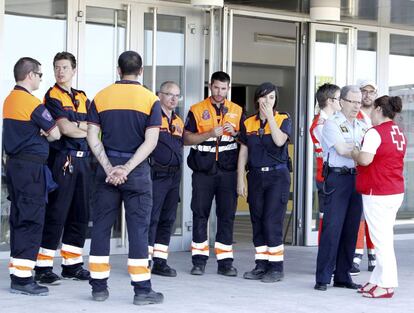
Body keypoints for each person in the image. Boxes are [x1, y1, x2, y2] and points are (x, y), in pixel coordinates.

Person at [86, 51, 163, 305]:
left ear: (118, 70)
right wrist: (127, 169)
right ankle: (142, 291)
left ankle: (98, 287)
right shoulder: (151, 99)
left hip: (105, 171)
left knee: (101, 227)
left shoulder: (100, 97)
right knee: (139, 230)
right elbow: (151, 142)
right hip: (137, 173)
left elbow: (92, 137)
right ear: (140, 71)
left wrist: (110, 168)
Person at [3, 57, 61, 295]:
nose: (40, 79)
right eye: (39, 75)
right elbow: (56, 133)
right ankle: (23, 280)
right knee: (32, 219)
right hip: (31, 170)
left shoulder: (9, 100)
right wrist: (42, 133)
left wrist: (38, 132)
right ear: (30, 75)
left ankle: (18, 271)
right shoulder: (32, 102)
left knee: (19, 217)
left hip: (15, 167)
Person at [34, 52, 91, 284]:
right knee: (56, 213)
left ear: (73, 70)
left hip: (84, 160)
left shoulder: (82, 96)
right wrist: (82, 126)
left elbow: (96, 129)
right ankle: (43, 266)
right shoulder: (52, 96)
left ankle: (72, 265)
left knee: (80, 213)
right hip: (62, 160)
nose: (60, 71)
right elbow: (65, 129)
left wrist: (80, 126)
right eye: (57, 67)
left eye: (65, 67)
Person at [184, 71, 244, 276]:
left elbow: (244, 140)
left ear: (228, 88)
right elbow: (186, 139)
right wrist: (209, 133)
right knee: (200, 214)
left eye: (223, 88)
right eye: (216, 87)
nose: (219, 92)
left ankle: (225, 263)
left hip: (228, 171)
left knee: (226, 216)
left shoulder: (237, 110)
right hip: (203, 171)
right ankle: (199, 261)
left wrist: (235, 133)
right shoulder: (197, 109)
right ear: (210, 86)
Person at [351, 96, 406, 298]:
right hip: (394, 189)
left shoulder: (375, 132)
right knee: (382, 237)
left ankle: (386, 284)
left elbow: (365, 159)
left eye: (373, 109)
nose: (370, 113)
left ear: (379, 110)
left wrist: (355, 153)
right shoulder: (397, 131)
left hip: (378, 191)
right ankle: (376, 279)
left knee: (381, 240)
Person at [314, 85, 367, 291]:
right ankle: (323, 277)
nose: (356, 106)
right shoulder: (331, 124)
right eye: (352, 101)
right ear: (342, 101)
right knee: (332, 227)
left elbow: (369, 149)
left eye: (359, 102)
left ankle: (343, 276)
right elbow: (341, 149)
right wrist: (361, 152)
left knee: (351, 228)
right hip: (338, 179)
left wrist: (359, 152)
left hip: (358, 179)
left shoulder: (363, 125)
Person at [237, 82, 291, 283]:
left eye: (272, 97)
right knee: (257, 221)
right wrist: (240, 178)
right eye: (264, 97)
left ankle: (276, 267)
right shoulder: (248, 122)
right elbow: (244, 151)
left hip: (277, 177)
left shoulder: (283, 118)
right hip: (256, 176)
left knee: (271, 221)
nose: (267, 101)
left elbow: (279, 141)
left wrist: (270, 118)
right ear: (257, 98)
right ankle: (261, 265)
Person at [148, 81, 184, 277]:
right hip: (156, 174)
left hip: (173, 176)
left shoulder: (178, 121)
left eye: (176, 95)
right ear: (159, 95)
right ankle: (145, 260)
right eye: (169, 94)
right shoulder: (152, 117)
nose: (173, 99)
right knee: (151, 218)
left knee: (168, 219)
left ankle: (160, 261)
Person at [350, 80, 378, 276]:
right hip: (357, 170)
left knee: (373, 216)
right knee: (359, 215)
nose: (367, 95)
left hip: (376, 172)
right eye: (364, 91)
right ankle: (356, 256)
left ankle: (374, 255)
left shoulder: (380, 115)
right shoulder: (353, 115)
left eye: (371, 91)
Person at [309, 83, 341, 243]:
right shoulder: (321, 124)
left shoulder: (331, 120)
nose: (341, 102)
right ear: (329, 101)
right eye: (339, 98)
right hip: (327, 176)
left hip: (332, 175)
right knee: (329, 219)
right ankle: (326, 257)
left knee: (333, 218)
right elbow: (338, 147)